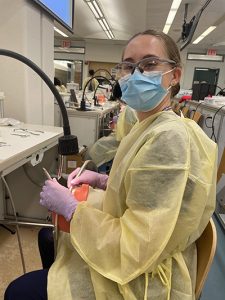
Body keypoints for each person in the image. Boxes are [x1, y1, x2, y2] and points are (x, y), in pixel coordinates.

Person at [5, 29, 217, 300]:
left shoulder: (169, 138)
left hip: (144, 279)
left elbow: (136, 248)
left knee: (18, 291)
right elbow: (151, 195)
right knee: (49, 239)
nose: (136, 74)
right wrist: (106, 180)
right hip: (146, 256)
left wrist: (72, 210)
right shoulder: (151, 126)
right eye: (129, 66)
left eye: (149, 64)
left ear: (174, 76)